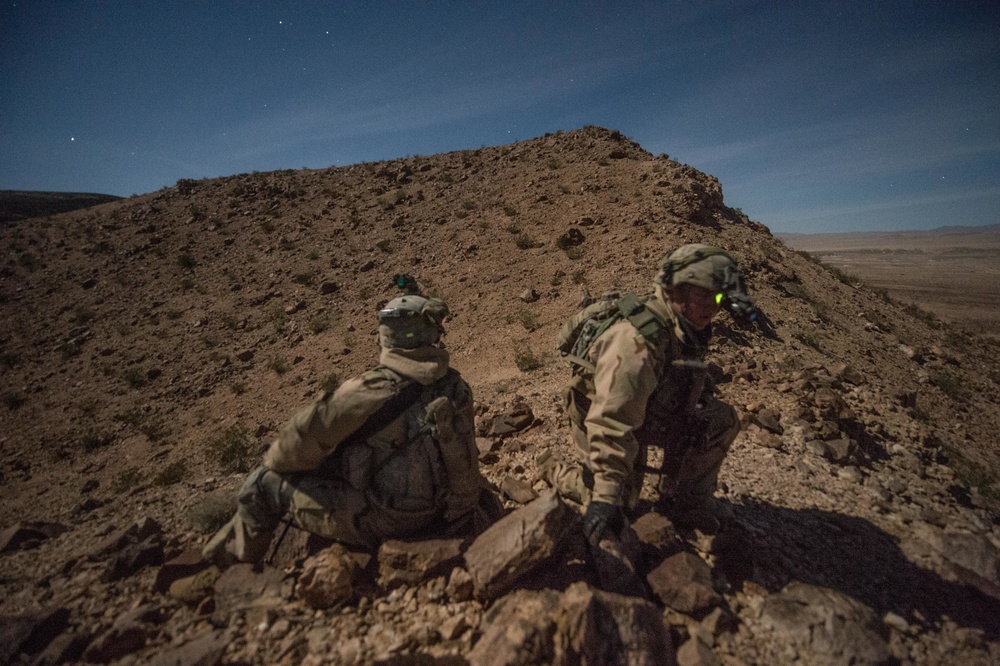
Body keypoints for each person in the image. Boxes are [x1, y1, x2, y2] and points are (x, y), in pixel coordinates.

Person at [203, 285, 488, 566]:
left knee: (261, 485)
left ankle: (224, 570)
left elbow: (292, 446)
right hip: (450, 513)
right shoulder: (454, 384)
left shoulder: (368, 390)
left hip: (392, 520)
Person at [541, 244, 745, 543]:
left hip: (643, 407)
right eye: (705, 295)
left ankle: (689, 503)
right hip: (600, 416)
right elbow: (611, 420)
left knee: (720, 421)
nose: (714, 307)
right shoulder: (636, 342)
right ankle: (554, 469)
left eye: (719, 297)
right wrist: (605, 496)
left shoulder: (685, 326)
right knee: (619, 503)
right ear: (674, 290)